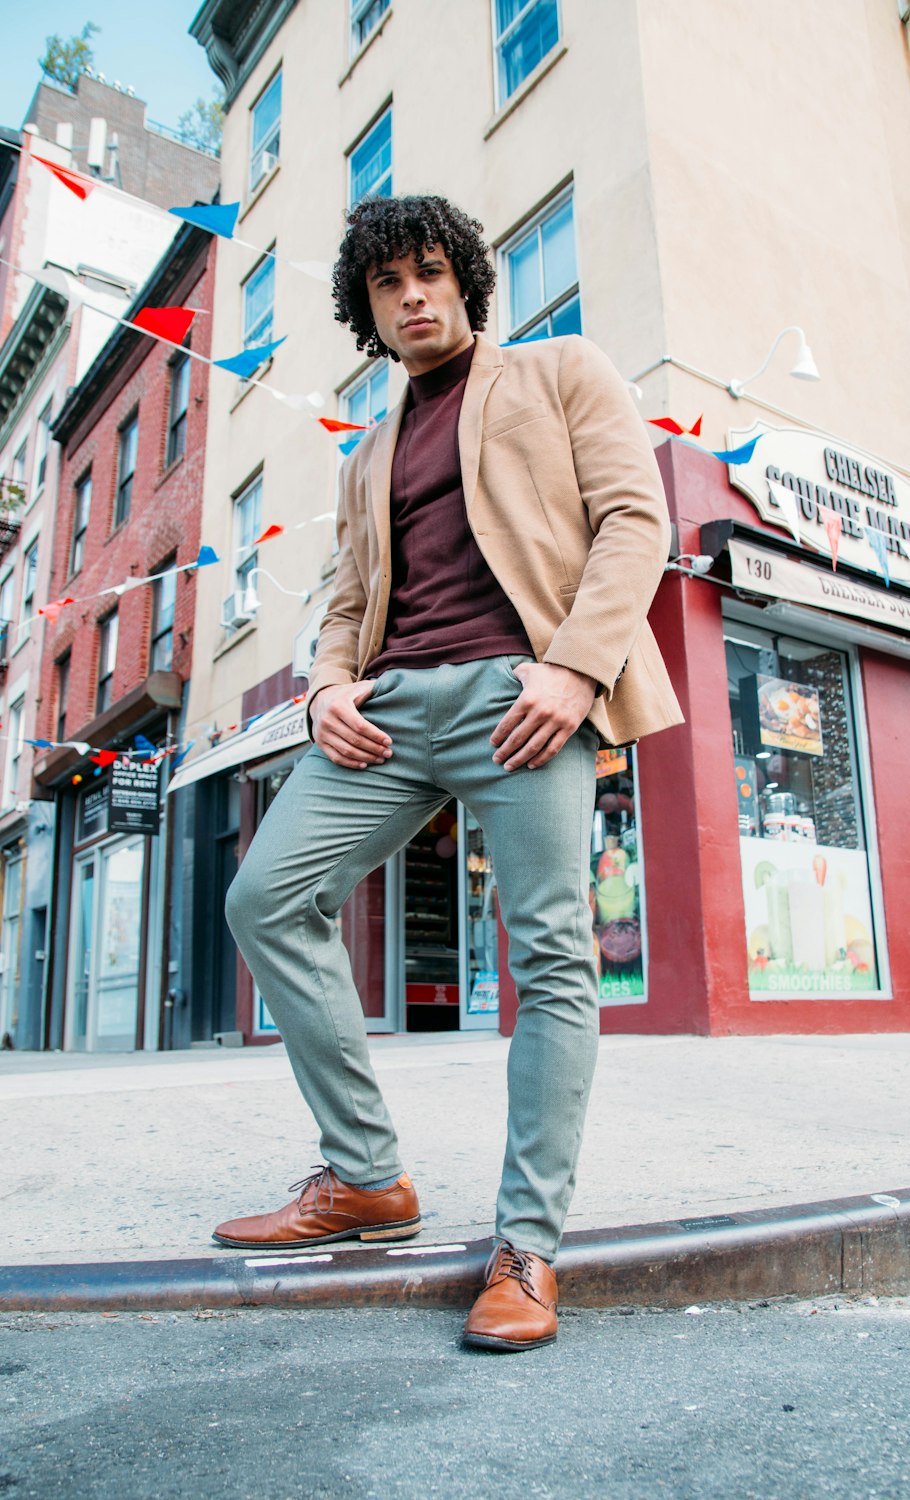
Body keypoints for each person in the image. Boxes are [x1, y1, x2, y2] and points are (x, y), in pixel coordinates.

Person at [217, 195, 683, 1352]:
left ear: (466, 279)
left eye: (431, 272)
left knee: (549, 952)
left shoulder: (563, 371)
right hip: (387, 710)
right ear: (366, 310)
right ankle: (366, 1178)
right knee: (265, 896)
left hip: (523, 694)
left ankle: (527, 1246)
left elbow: (633, 521)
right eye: (388, 284)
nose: (413, 295)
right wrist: (326, 687)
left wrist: (575, 671)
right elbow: (341, 598)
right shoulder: (366, 449)